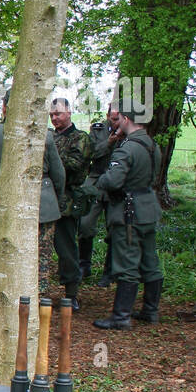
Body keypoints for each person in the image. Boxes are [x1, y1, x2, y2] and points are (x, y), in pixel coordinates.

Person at [0, 91, 65, 291]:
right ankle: (37, 305)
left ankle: (10, 299)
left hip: (9, 204)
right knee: (40, 260)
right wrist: (57, 200)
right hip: (43, 204)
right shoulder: (45, 135)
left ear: (4, 108)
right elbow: (59, 175)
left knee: (8, 257)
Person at [93, 98, 162, 330]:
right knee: (150, 259)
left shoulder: (128, 148)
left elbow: (113, 180)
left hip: (128, 211)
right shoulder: (153, 145)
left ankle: (121, 316)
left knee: (127, 262)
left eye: (120, 117)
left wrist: (100, 179)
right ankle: (151, 311)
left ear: (126, 119)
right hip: (148, 207)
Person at [50, 97, 93, 308]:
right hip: (47, 199)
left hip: (66, 201)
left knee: (66, 249)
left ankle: (71, 293)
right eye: (51, 115)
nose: (54, 118)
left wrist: (49, 157)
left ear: (68, 112)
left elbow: (74, 165)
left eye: (58, 113)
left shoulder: (80, 138)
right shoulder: (49, 137)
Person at [79, 103, 122, 284]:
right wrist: (109, 143)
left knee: (115, 226)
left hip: (117, 183)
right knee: (85, 223)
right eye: (113, 118)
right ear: (107, 116)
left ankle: (109, 271)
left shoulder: (129, 131)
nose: (116, 122)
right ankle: (84, 265)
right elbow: (91, 153)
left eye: (119, 118)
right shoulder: (97, 130)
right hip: (96, 179)